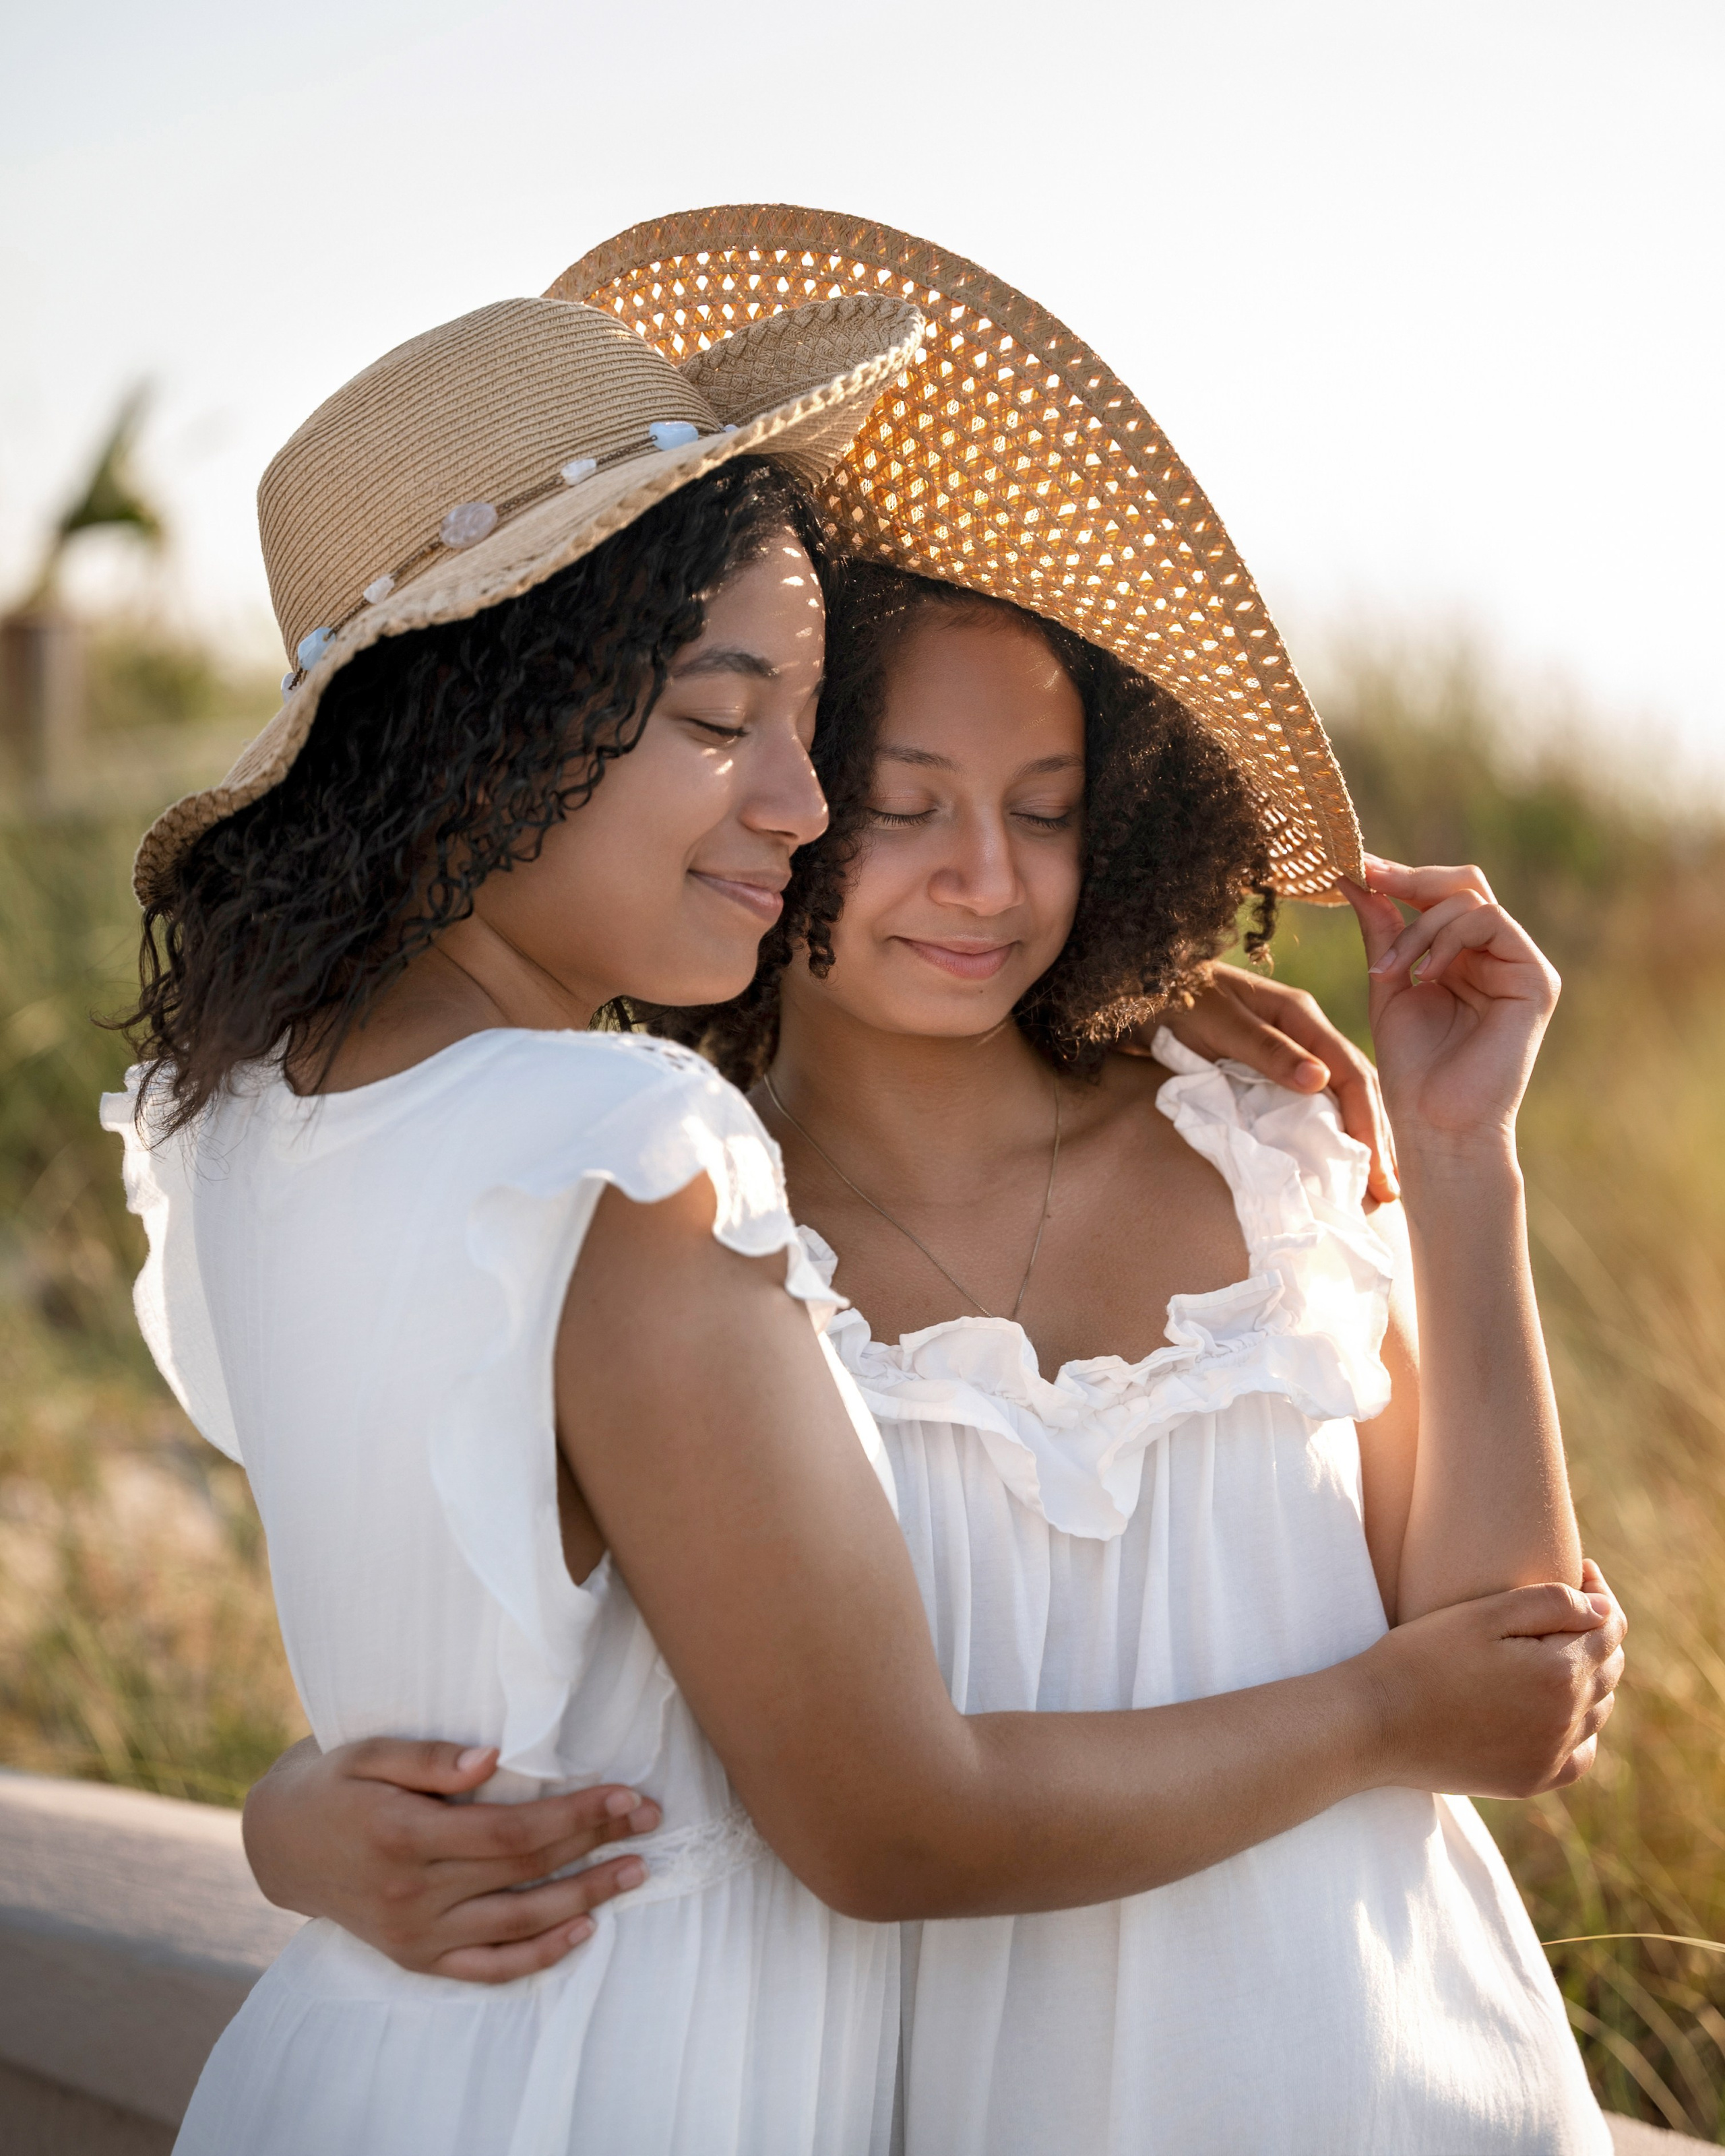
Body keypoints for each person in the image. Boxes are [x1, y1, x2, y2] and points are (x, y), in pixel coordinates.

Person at [228, 217, 1622, 2153]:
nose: (987, 879)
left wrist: (1461, 1161)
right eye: (900, 805)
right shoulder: (670, 1205)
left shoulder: (1267, 1148)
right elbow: (539, 1659)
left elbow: (1512, 1682)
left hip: (1387, 2075)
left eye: (1049, 814)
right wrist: (293, 1816)